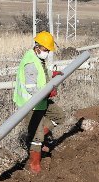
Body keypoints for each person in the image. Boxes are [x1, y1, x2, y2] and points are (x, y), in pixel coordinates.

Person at [12, 31, 66, 173]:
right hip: (30, 104)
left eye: (48, 50)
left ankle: (35, 138)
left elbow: (41, 73)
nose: (47, 53)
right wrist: (48, 92)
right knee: (37, 137)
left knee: (59, 116)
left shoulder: (38, 58)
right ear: (38, 47)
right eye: (46, 50)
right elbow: (31, 89)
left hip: (39, 100)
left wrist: (52, 75)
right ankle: (34, 166)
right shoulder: (30, 62)